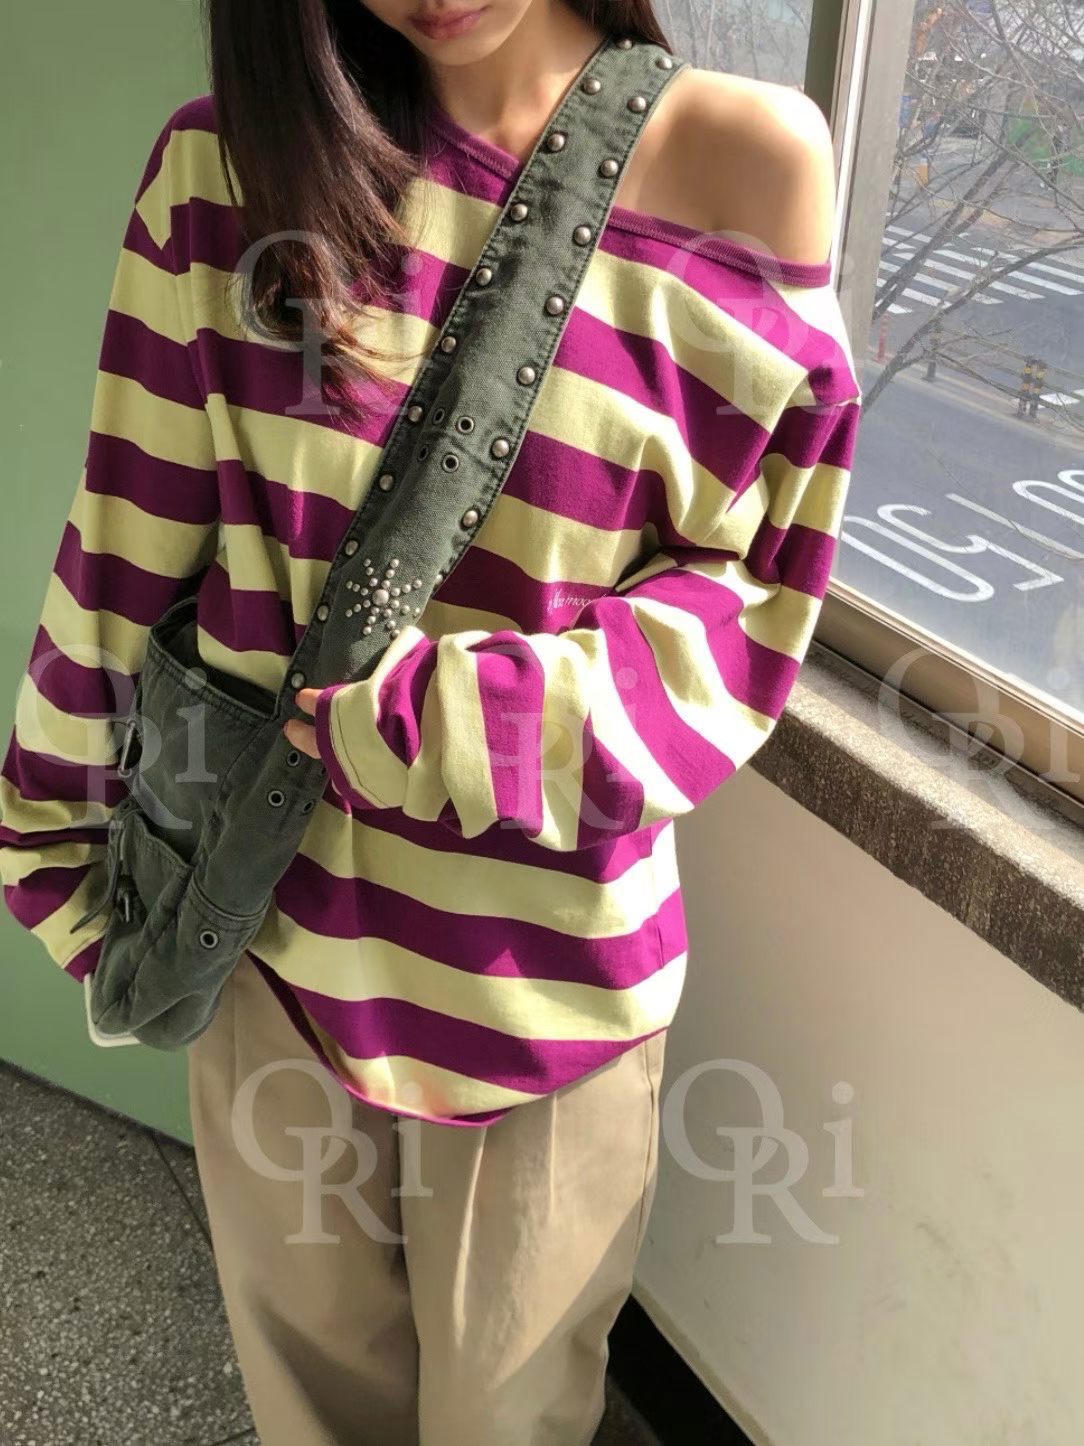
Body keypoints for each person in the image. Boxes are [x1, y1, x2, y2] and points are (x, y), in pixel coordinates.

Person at [0, 1, 862, 1442]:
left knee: (511, 1422)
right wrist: (45, 826)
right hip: (267, 939)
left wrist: (450, 723)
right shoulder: (227, 172)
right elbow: (126, 540)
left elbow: (752, 600)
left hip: (550, 995)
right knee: (312, 1412)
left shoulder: (747, 167)